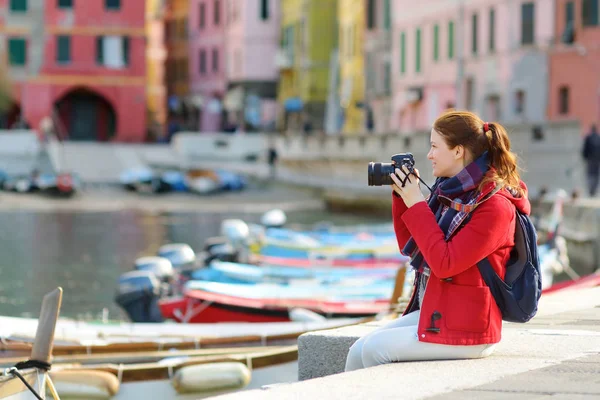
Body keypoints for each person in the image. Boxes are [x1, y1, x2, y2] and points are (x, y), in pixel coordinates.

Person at [345, 110, 531, 371]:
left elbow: (445, 263)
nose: (430, 154)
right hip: (442, 309)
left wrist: (416, 201)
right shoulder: (449, 193)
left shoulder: (495, 207)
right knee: (358, 350)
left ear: (458, 151)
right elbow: (411, 245)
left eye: (434, 146)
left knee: (376, 350)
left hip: (470, 326)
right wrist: (402, 197)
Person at [582, 124, 600, 196]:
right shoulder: (599, 138)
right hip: (597, 160)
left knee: (590, 174)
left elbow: (585, 149)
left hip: (590, 159)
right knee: (596, 175)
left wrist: (584, 157)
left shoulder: (588, 137)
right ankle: (594, 190)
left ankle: (591, 190)